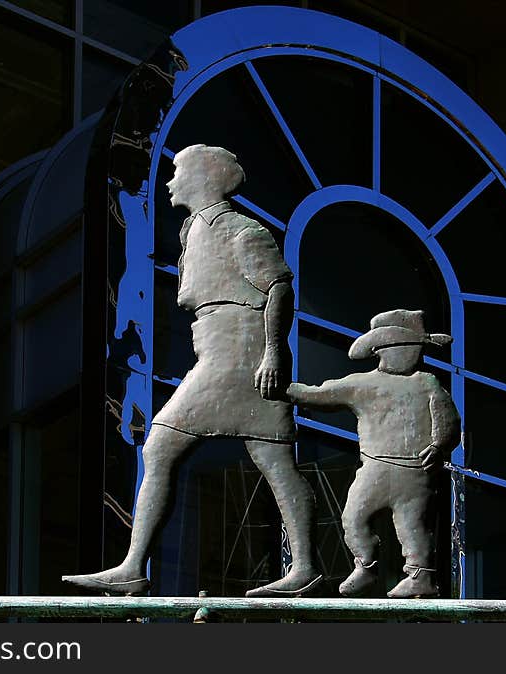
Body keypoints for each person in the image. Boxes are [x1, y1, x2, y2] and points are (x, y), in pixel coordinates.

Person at [63, 144, 321, 597]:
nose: (169, 182)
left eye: (177, 171)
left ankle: (133, 565)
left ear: (203, 177)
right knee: (274, 461)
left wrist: (274, 353)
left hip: (237, 355)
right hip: (218, 347)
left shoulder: (240, 230)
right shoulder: (195, 230)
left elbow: (279, 289)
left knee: (161, 446)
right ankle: (304, 565)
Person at [276, 309, 460, 598]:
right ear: (381, 350)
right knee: (353, 517)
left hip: (415, 473)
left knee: (413, 527)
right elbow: (318, 393)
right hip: (374, 468)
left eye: (414, 349)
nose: (410, 354)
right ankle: (365, 565)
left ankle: (420, 576)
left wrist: (438, 445)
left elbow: (447, 420)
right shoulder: (362, 384)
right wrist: (283, 389)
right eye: (403, 348)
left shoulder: (427, 383)